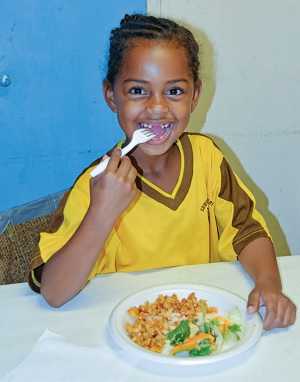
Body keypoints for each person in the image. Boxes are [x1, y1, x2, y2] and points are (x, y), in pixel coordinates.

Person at [28, 13, 296, 330]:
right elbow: (55, 293)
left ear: (194, 96)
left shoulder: (207, 158)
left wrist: (268, 283)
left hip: (201, 321)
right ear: (111, 96)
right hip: (129, 329)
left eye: (174, 92)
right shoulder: (97, 183)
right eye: (138, 91)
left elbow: (248, 234)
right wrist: (101, 212)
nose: (157, 108)